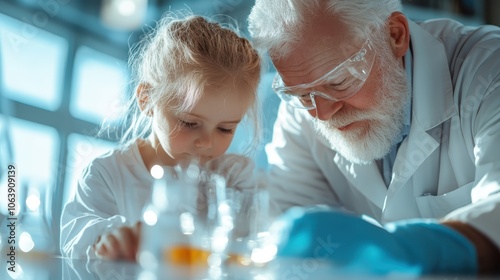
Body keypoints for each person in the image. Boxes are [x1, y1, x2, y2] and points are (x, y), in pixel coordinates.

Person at [248, 0, 500, 275]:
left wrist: (407, 248)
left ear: (395, 35)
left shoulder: (488, 72)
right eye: (302, 95)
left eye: (339, 82)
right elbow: (294, 249)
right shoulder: (303, 109)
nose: (321, 113)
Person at [60, 12, 262, 261]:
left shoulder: (233, 177)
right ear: (147, 100)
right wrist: (109, 238)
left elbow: (249, 242)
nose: (206, 142)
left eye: (225, 129)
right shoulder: (108, 173)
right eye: (189, 123)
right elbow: (75, 240)